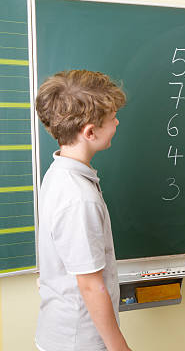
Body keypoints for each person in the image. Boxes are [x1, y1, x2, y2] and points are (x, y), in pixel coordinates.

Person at [34, 70, 131, 351]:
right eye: (112, 118)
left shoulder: (58, 172)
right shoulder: (79, 198)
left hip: (62, 331)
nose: (117, 121)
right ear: (90, 132)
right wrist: (119, 347)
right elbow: (91, 285)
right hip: (80, 340)